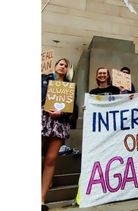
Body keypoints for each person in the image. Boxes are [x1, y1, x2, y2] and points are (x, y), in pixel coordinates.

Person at [42, 58, 77, 211]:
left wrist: (61, 113)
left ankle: (41, 199)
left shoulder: (70, 86)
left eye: (66, 65)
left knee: (51, 159)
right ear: (55, 66)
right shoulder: (43, 79)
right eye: (61, 64)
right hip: (42, 119)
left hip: (59, 123)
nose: (63, 67)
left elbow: (72, 108)